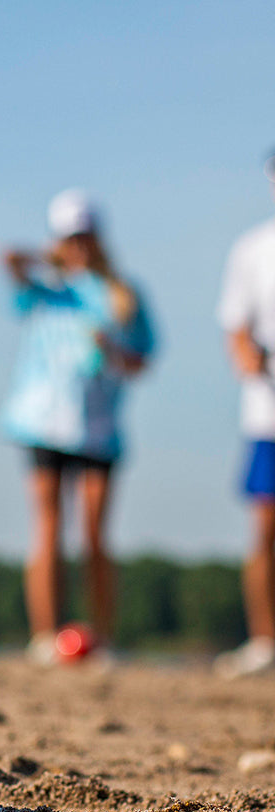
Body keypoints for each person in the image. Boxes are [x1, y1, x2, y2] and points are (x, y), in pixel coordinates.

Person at [0, 190, 156, 665]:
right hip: (43, 421)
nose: (79, 245)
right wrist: (49, 256)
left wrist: (113, 351)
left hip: (98, 426)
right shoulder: (49, 288)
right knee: (47, 526)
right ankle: (45, 634)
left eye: (85, 236)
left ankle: (103, 636)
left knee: (93, 532)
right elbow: (7, 260)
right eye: (71, 237)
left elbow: (142, 359)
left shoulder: (121, 294)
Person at [215, 151, 275, 678]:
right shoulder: (254, 249)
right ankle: (264, 641)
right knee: (265, 528)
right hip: (268, 413)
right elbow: (236, 324)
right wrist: (247, 356)